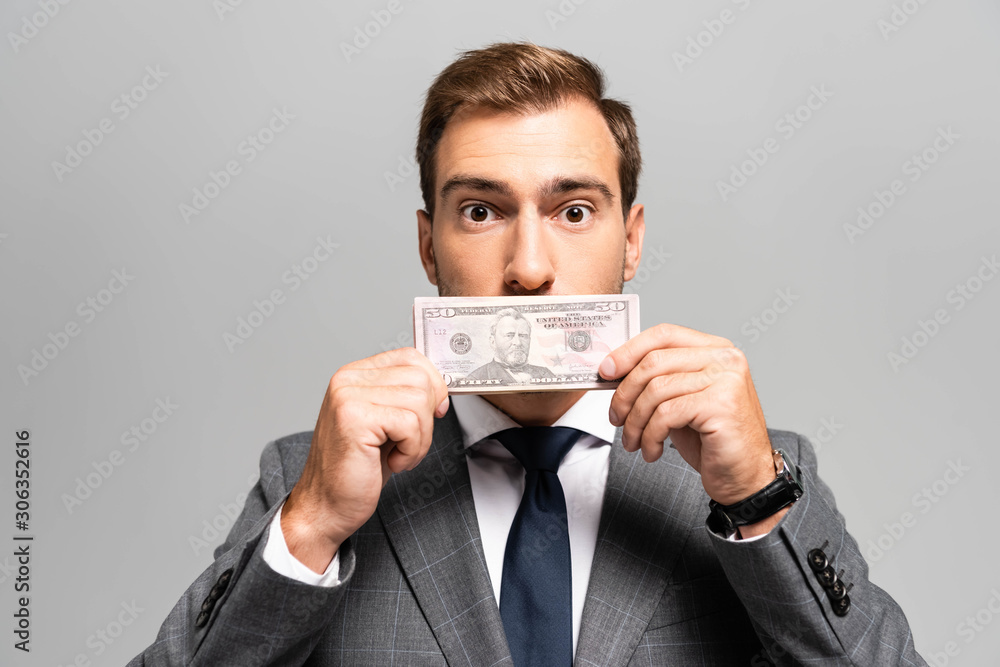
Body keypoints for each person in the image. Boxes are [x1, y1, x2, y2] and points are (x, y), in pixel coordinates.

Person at [130, 42, 926, 665]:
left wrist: (758, 498)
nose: (530, 268)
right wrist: (309, 524)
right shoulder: (308, 476)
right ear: (428, 247)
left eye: (573, 210)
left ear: (631, 240)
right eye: (481, 211)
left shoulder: (759, 473)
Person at [465, 308, 556, 385]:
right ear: (493, 342)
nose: (518, 342)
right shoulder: (475, 378)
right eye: (509, 335)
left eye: (523, 336)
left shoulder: (546, 374)